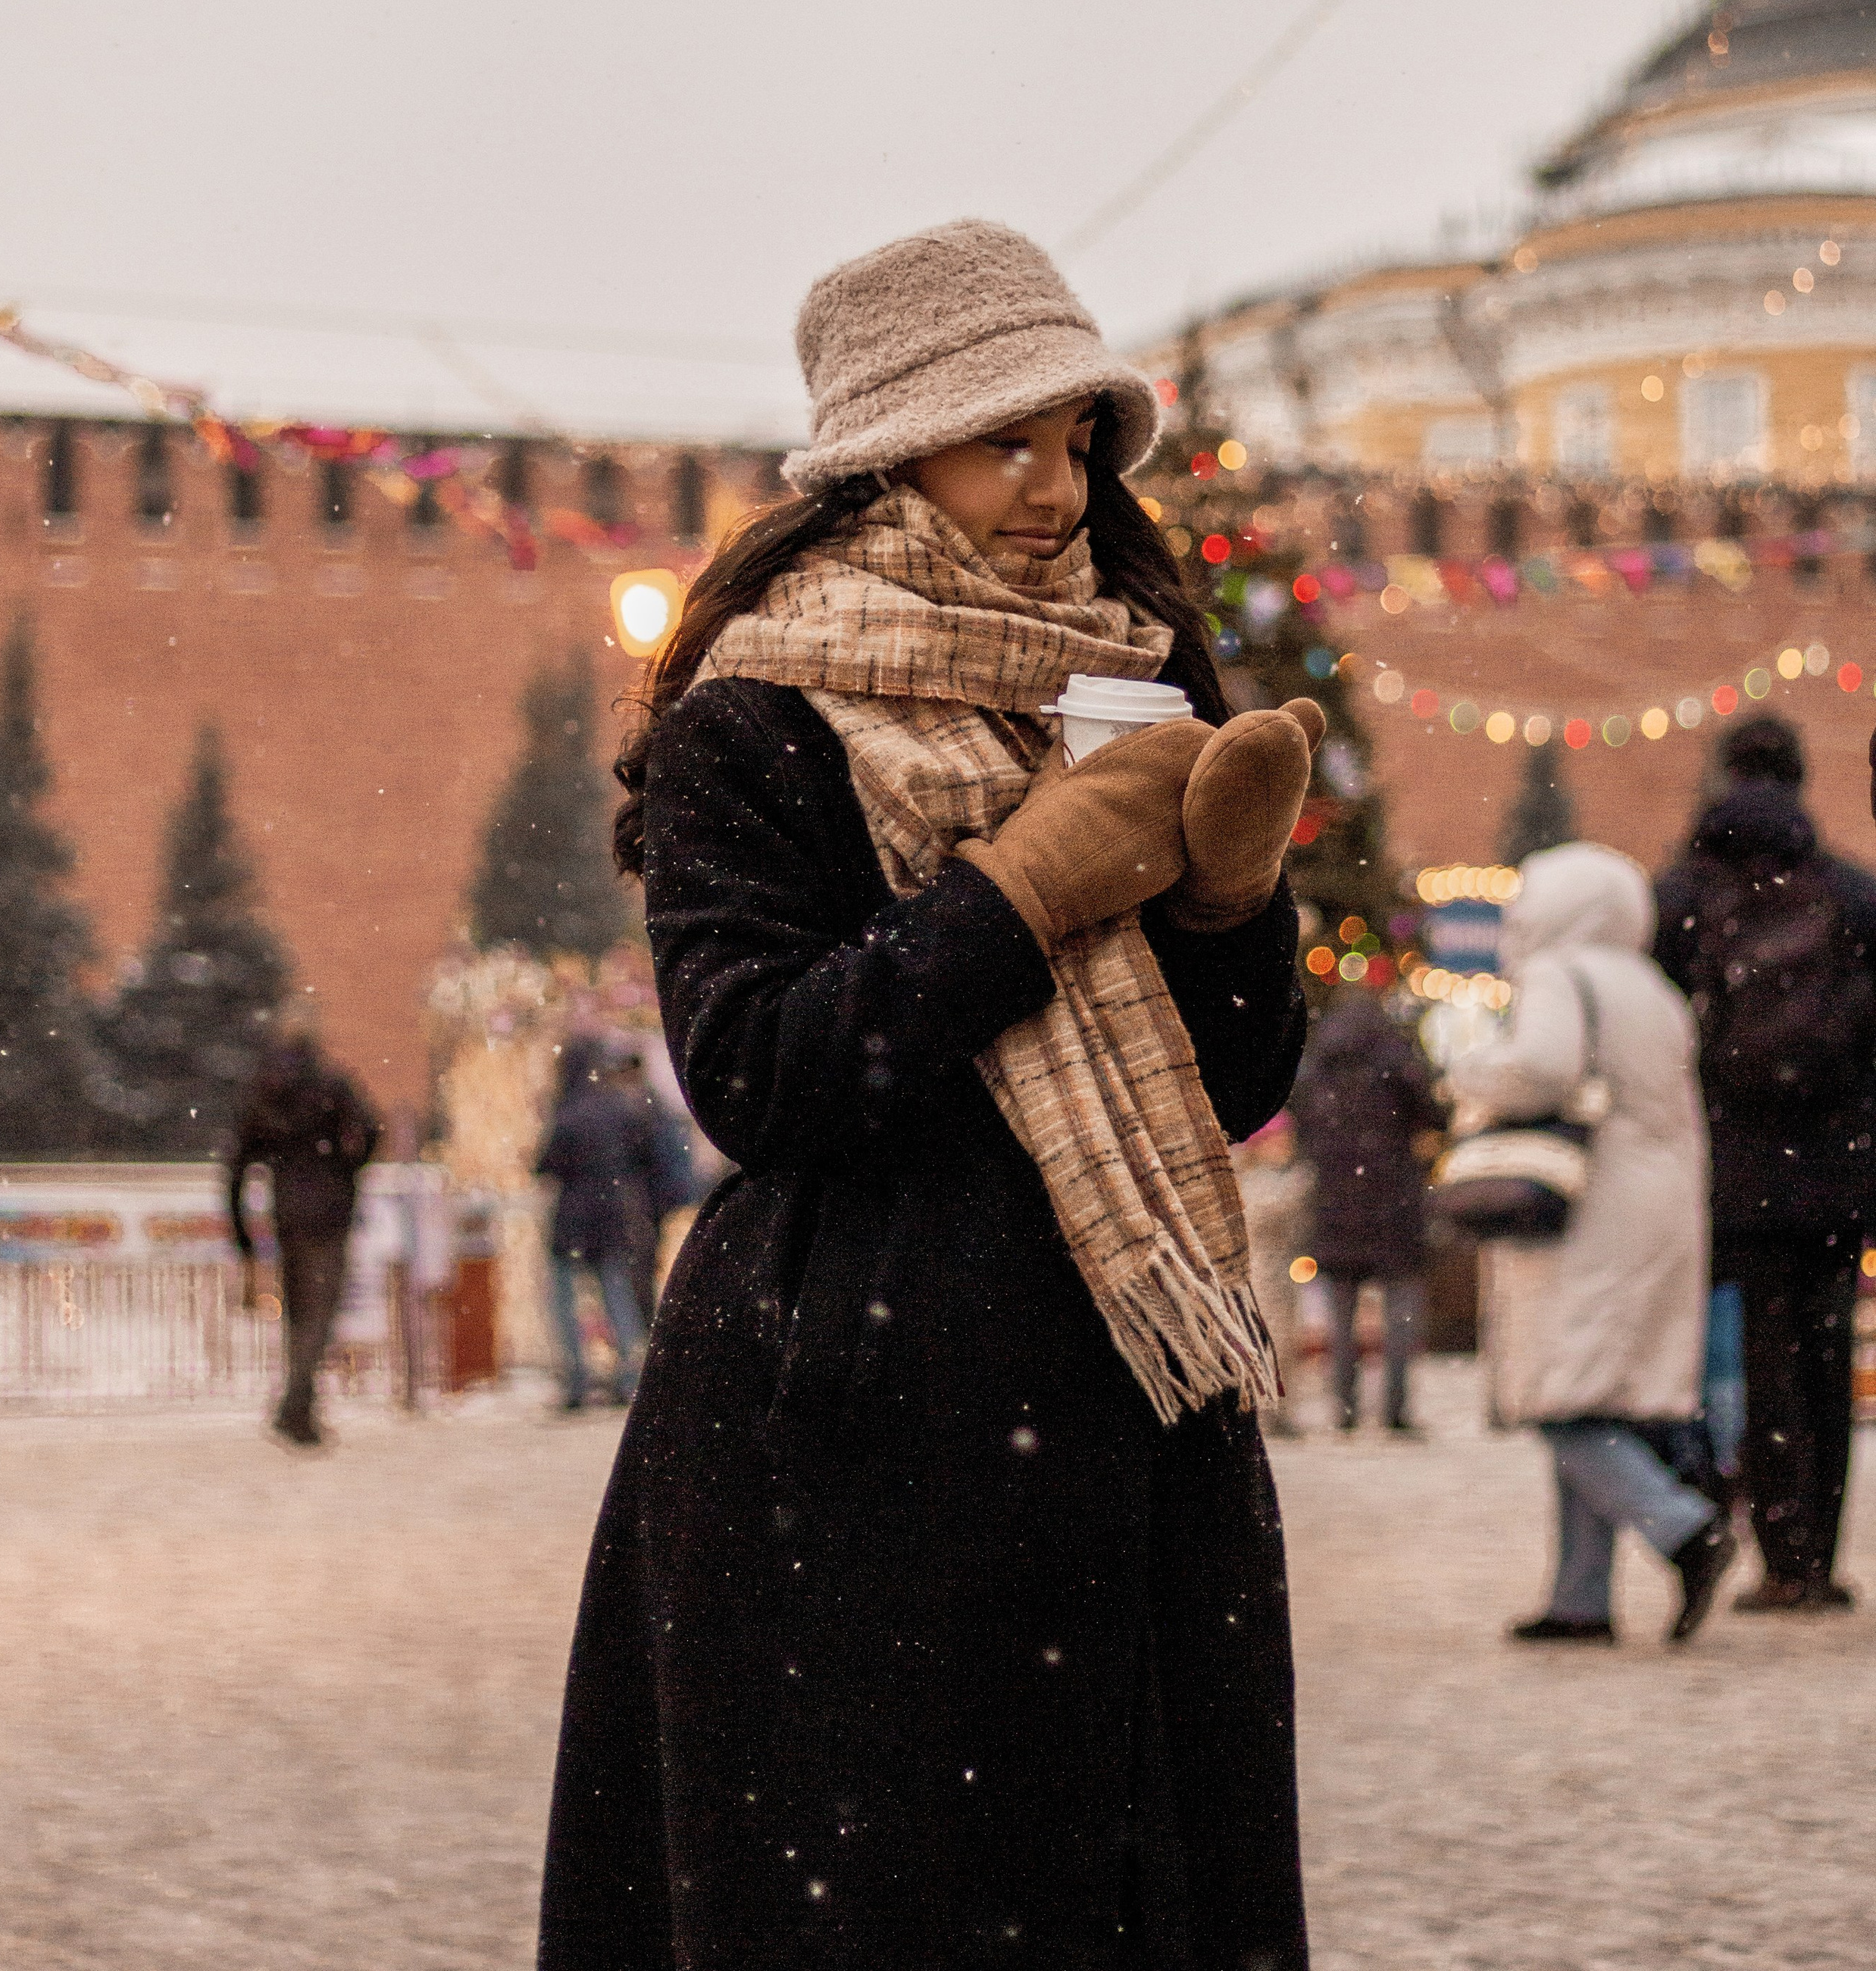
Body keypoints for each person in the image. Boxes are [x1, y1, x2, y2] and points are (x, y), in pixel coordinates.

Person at [539, 220, 1318, 1971]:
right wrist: (1011, 894)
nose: (1053, 485)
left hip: (1123, 1400)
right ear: (891, 450)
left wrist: (1226, 910)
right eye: (1005, 440)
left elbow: (1235, 1085)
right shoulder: (754, 716)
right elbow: (759, 1072)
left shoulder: (1130, 677)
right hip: (843, 1411)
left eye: (1073, 441)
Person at [1451, 843, 1733, 1645]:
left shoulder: (1557, 974)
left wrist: (1474, 1070)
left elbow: (1541, 1065)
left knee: (1557, 1397)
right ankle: (1580, 1597)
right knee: (1598, 1391)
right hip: (1659, 1207)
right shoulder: (1650, 984)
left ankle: (1683, 1528)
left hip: (1588, 1206)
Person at [1654, 714, 1876, 1611]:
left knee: (1760, 1353)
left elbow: (1664, 1019)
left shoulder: (1684, 888)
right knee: (1827, 1353)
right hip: (1837, 1161)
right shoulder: (1851, 892)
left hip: (1735, 1158)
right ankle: (1815, 1560)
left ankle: (1773, 1551)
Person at [1293, 982, 1445, 1435]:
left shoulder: (1318, 1065)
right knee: (1401, 1305)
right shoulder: (1396, 1059)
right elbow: (1434, 1114)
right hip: (1393, 1202)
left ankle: (1345, 1409)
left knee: (1340, 1312)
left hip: (1335, 1203)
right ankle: (1396, 1411)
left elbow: (1301, 1120)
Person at [227, 1019, 382, 1448]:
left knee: (299, 1316)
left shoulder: (267, 1094)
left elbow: (237, 1164)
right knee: (320, 1315)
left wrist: (242, 1232)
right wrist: (347, 1170)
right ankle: (296, 1408)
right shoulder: (332, 1086)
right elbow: (371, 1131)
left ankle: (298, 1408)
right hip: (330, 1214)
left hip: (289, 1217)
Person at [536, 1039, 663, 1407]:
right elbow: (647, 1156)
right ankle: (630, 1375)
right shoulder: (621, 1109)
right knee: (617, 1294)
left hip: (573, 1219)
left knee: (565, 1298)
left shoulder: (568, 1112)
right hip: (614, 1214)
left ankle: (577, 1377)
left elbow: (547, 1164)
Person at [1233, 1111, 1314, 1438]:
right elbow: (1262, 1213)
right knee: (1263, 1342)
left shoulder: (1282, 1175)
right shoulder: (1248, 1177)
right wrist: (1296, 1189)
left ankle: (1282, 1408)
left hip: (1283, 1272)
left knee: (1284, 1344)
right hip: (1259, 1275)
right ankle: (1264, 1412)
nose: (1286, 1147)